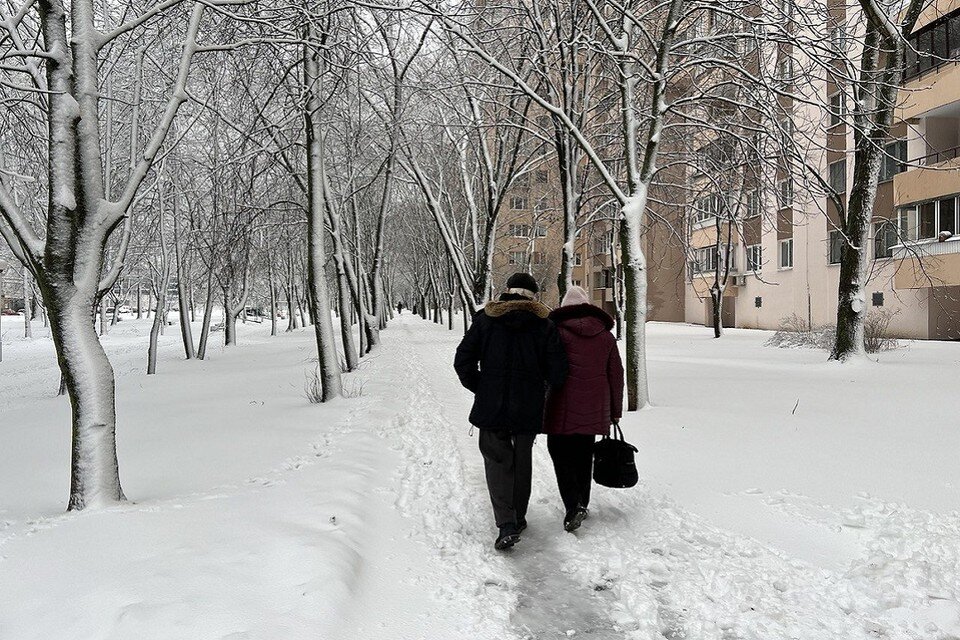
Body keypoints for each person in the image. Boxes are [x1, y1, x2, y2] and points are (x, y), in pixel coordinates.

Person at [454, 273, 568, 550]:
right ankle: (517, 517)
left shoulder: (485, 320)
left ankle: (505, 523)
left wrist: (481, 387)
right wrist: (540, 388)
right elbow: (558, 371)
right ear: (533, 295)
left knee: (497, 462)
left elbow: (462, 361)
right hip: (527, 406)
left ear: (507, 291)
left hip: (491, 405)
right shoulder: (545, 325)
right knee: (522, 463)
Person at [543, 286, 624, 532]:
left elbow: (546, 370)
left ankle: (572, 505)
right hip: (594, 407)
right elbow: (616, 374)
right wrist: (615, 410)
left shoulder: (555, 332)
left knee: (559, 453)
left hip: (561, 406)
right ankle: (583, 502)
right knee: (583, 455)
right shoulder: (606, 336)